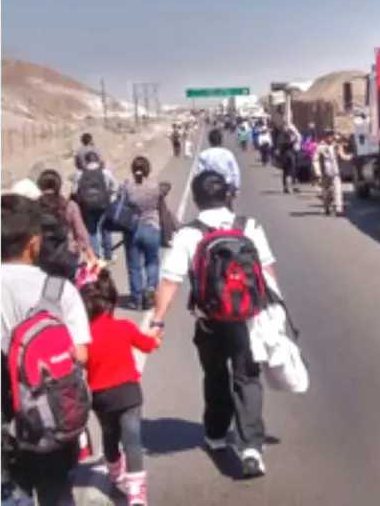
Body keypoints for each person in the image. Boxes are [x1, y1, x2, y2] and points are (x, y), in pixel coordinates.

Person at [150, 170, 276, 479]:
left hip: (210, 321)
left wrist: (157, 321)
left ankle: (217, 434)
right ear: (228, 196)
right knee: (247, 378)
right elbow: (268, 273)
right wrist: (273, 314)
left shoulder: (189, 235)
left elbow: (170, 282)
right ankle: (251, 449)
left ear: (195, 198)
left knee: (216, 376)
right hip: (248, 319)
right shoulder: (250, 227)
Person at [0, 193, 90, 505]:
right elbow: (80, 356)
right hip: (54, 422)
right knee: (57, 491)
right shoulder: (60, 290)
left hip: (8, 425)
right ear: (33, 242)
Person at [81, 269, 160, 505]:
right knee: (132, 439)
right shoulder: (124, 327)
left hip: (101, 396)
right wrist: (155, 336)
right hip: (128, 393)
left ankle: (115, 474)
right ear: (112, 303)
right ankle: (136, 493)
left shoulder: (85, 337)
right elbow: (147, 345)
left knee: (109, 434)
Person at [124, 156, 166, 310]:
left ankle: (136, 299)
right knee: (152, 261)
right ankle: (151, 288)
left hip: (132, 229)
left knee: (134, 266)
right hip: (152, 227)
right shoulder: (154, 186)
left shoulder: (127, 186)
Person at [36, 169, 95, 279]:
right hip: (67, 254)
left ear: (40, 185)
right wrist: (89, 253)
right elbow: (81, 233)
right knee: (67, 289)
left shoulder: (34, 206)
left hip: (42, 256)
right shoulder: (69, 206)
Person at [72, 151, 117, 261]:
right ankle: (108, 255)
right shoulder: (105, 172)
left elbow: (73, 191)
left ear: (86, 161)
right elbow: (114, 187)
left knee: (92, 231)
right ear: (97, 160)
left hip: (87, 206)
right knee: (106, 229)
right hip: (103, 205)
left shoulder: (80, 174)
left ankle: (95, 256)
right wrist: (110, 197)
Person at [194, 128, 241, 207]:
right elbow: (235, 172)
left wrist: (198, 191)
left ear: (210, 140)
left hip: (209, 186)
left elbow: (199, 173)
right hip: (226, 185)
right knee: (228, 209)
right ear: (221, 140)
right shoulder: (228, 154)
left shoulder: (204, 154)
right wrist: (236, 188)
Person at [313, 128, 352, 215]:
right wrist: (318, 172)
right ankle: (327, 206)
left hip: (335, 171)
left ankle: (339, 209)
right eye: (328, 136)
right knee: (327, 192)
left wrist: (350, 157)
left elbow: (342, 155)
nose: (330, 138)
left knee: (338, 190)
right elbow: (315, 160)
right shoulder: (320, 147)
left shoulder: (336, 146)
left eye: (331, 135)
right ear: (325, 137)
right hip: (325, 173)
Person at [278, 123, 301, 193]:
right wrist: (293, 141)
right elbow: (284, 144)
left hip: (291, 154)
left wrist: (295, 139)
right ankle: (287, 187)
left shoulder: (289, 135)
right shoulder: (283, 136)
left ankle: (290, 186)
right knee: (288, 172)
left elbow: (298, 138)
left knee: (291, 171)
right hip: (287, 156)